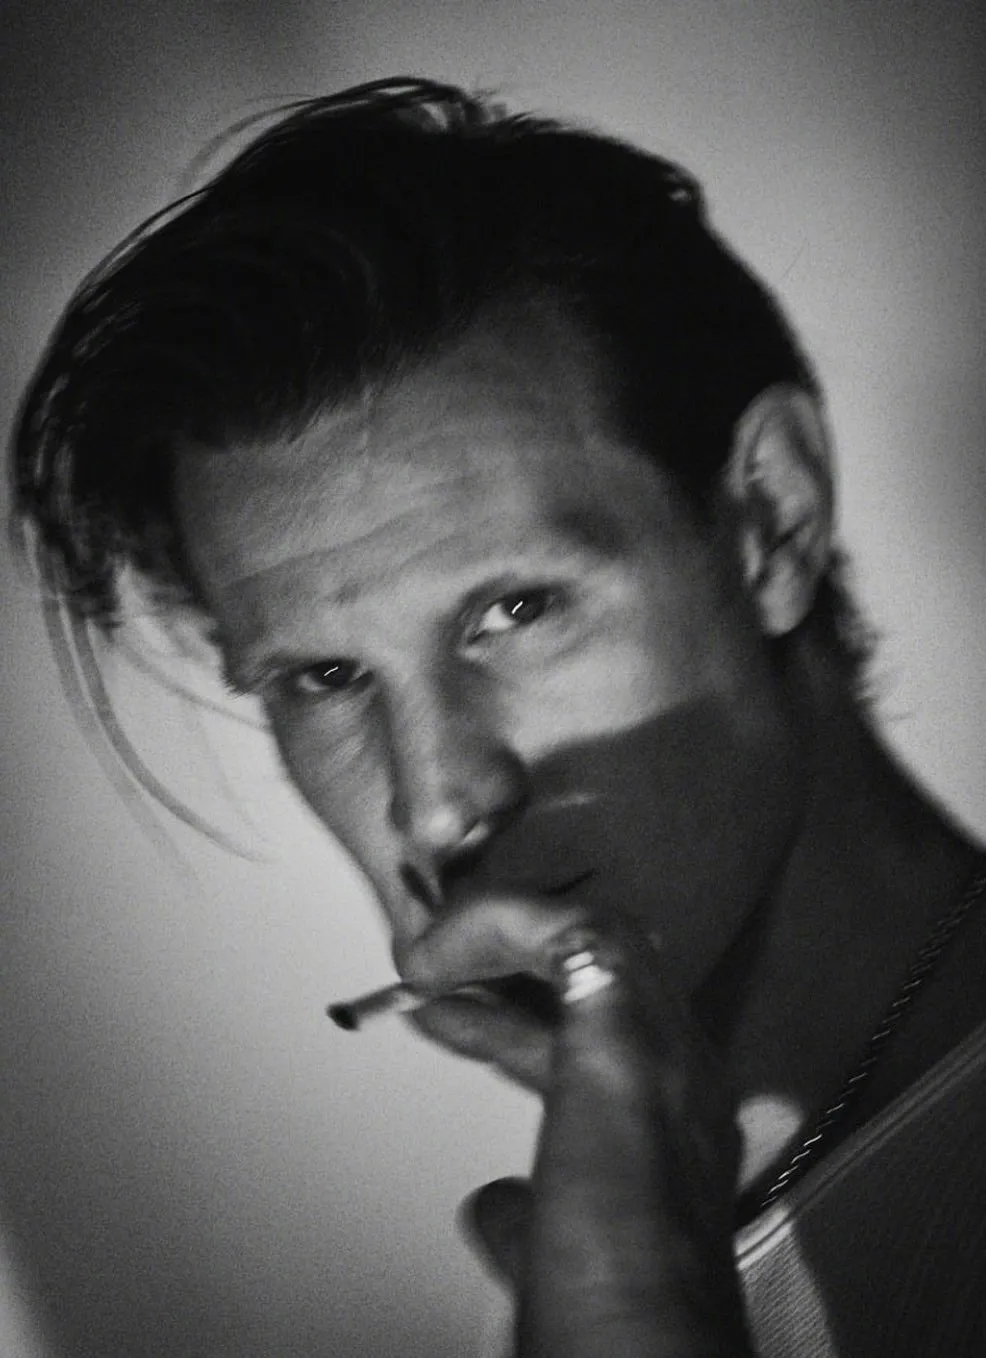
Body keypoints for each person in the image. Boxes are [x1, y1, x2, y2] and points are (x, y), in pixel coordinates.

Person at [10, 76, 985, 1357]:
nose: (433, 803)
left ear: (770, 517)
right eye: (325, 678)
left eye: (515, 608)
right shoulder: (587, 1244)